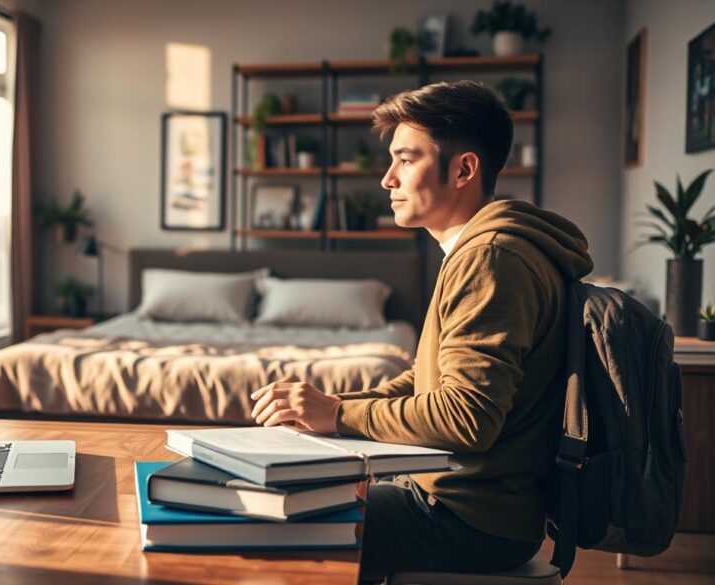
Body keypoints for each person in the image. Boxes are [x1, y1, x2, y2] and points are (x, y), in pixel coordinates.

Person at [250, 80, 593, 581]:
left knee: (270, 522)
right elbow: (424, 381)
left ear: (464, 169)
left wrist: (340, 414)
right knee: (287, 500)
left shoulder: (492, 258)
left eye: (406, 160)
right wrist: (325, 409)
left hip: (469, 520)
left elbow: (466, 418)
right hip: (453, 501)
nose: (387, 179)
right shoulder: (481, 249)